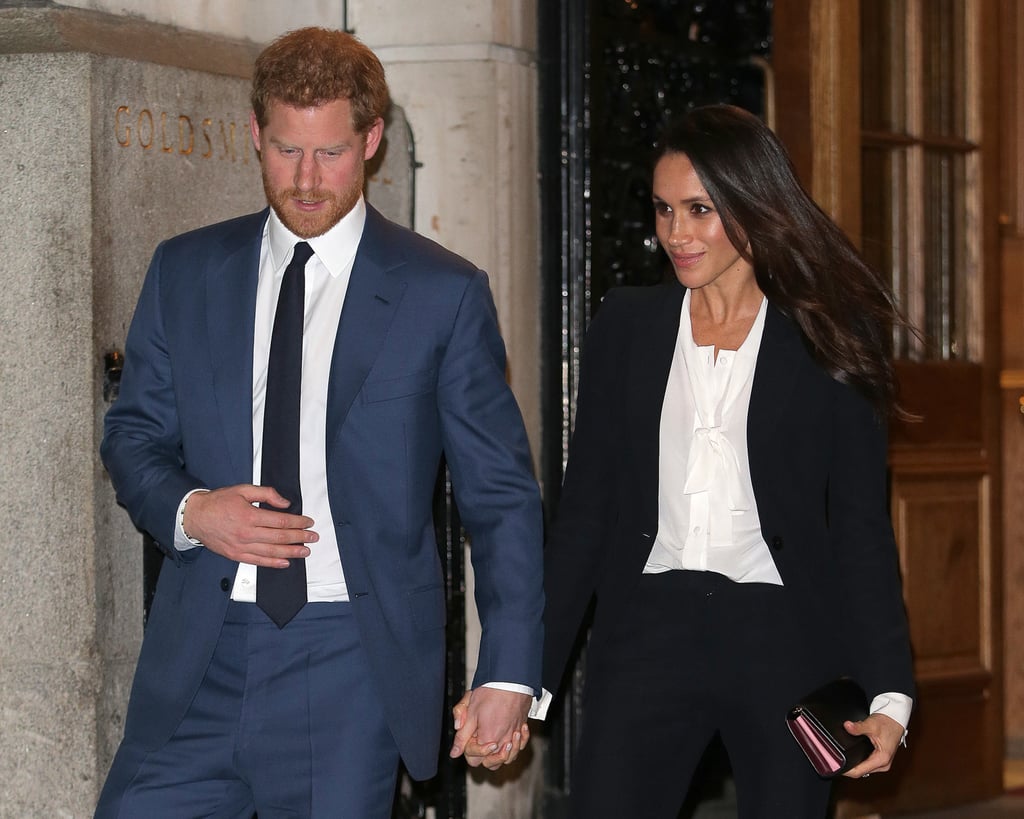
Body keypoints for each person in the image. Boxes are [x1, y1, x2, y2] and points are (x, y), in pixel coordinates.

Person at [96, 27, 542, 818]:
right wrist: (195, 510)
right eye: (284, 150)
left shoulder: (443, 293)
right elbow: (133, 436)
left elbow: (501, 497)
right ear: (255, 136)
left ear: (371, 140)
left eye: (330, 152)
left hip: (347, 663)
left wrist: (506, 673)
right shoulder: (186, 270)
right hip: (198, 655)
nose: (306, 180)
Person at [540, 104, 916, 818]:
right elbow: (584, 512)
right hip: (649, 629)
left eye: (699, 210)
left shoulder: (829, 336)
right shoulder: (626, 324)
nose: (675, 233)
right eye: (663, 210)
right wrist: (526, 678)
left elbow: (862, 527)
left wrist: (890, 689)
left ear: (752, 205)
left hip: (782, 637)